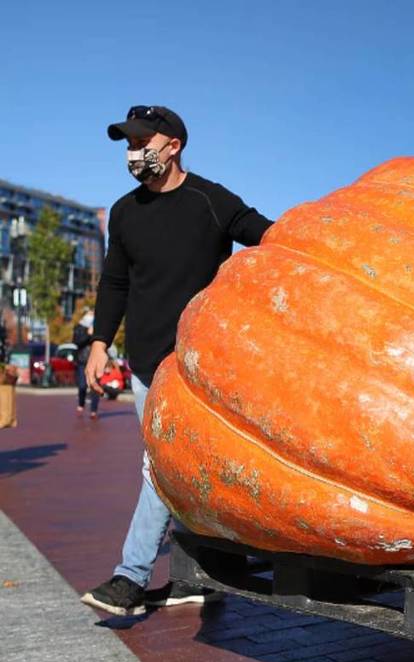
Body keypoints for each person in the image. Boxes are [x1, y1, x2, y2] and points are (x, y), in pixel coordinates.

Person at [80, 105, 273, 617]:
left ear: (173, 145)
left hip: (195, 364)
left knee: (161, 468)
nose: (133, 151)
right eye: (127, 142)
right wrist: (99, 343)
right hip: (145, 362)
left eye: (143, 140)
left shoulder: (210, 201)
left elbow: (268, 239)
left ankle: (131, 576)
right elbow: (116, 281)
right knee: (175, 472)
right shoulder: (123, 212)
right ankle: (201, 573)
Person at [72, 308, 101, 419]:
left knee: (95, 386)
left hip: (95, 360)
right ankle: (81, 403)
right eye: (89, 314)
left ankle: (94, 410)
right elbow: (77, 342)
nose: (91, 316)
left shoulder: (98, 327)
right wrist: (88, 335)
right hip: (82, 360)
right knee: (82, 385)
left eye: (93, 314)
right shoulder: (79, 328)